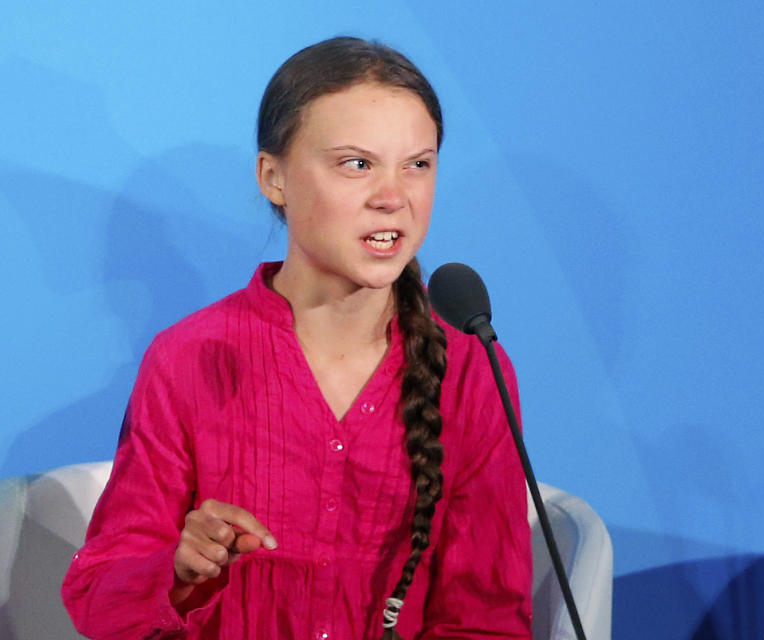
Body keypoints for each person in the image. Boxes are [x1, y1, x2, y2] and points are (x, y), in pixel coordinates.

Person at [61, 37, 533, 639]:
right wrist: (179, 572)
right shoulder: (187, 358)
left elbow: (487, 620)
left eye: (418, 164)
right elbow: (98, 599)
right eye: (356, 164)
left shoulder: (470, 369)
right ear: (273, 176)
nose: (394, 198)